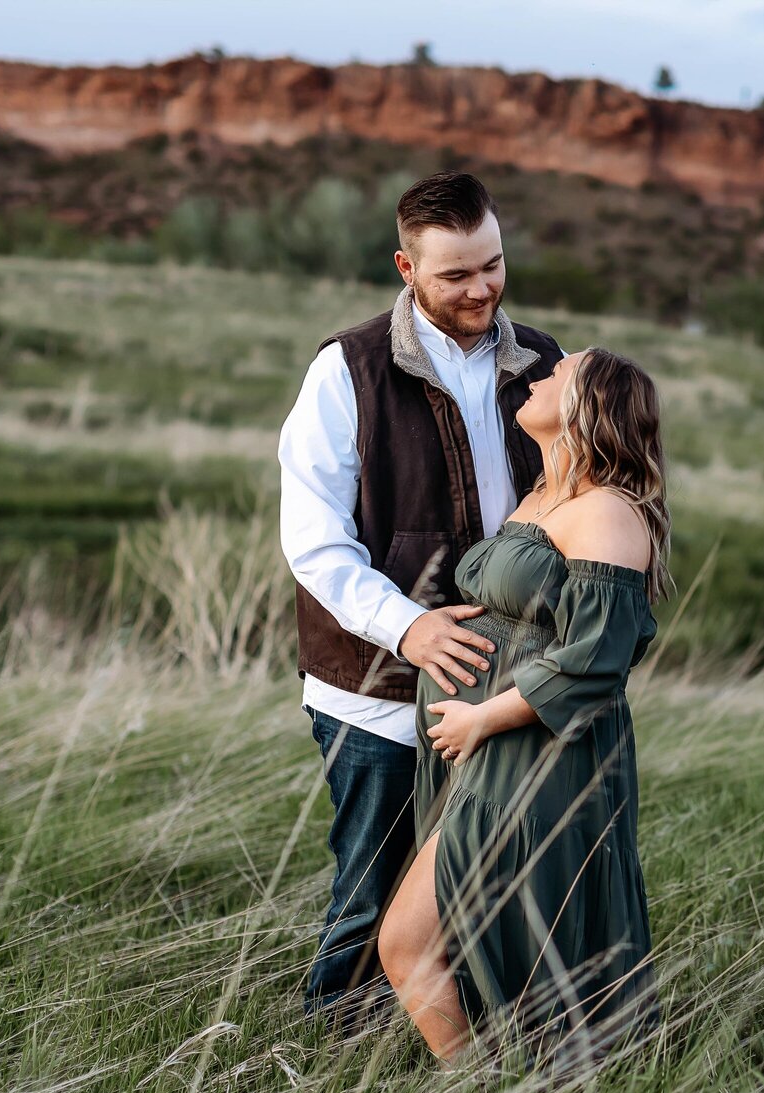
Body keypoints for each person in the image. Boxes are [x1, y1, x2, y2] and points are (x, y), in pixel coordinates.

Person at [278, 172, 564, 1026]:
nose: (481, 289)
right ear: (406, 266)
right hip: (375, 691)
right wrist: (411, 628)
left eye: (493, 264)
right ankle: (331, 1065)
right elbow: (314, 543)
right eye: (454, 275)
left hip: (501, 684)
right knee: (372, 899)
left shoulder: (543, 362)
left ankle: (470, 1059)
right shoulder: (347, 370)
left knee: (490, 886)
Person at [376, 347, 672, 1071]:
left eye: (559, 373)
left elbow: (598, 657)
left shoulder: (607, 511)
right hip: (491, 756)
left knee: (411, 942)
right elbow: (536, 610)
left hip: (538, 755)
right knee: (492, 935)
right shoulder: (547, 494)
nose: (538, 376)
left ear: (586, 405)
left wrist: (483, 716)